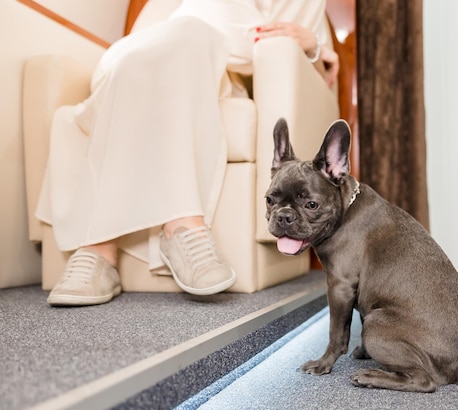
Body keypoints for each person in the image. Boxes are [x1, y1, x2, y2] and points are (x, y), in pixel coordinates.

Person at [36, 0, 339, 306]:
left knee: (190, 34)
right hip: (135, 57)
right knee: (181, 35)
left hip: (214, 71)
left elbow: (306, 72)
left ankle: (98, 248)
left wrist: (313, 46)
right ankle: (180, 228)